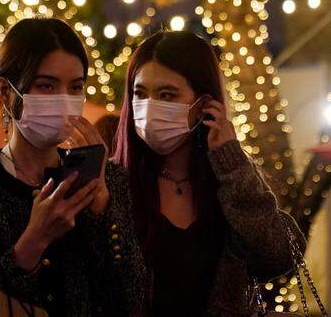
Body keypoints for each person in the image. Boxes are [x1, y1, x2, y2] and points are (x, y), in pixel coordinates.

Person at [0, 17, 146, 317]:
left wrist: (101, 212)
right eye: (46, 85)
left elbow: (132, 301)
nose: (64, 101)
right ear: (6, 92)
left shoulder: (108, 180)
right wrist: (32, 243)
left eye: (75, 87)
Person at [113, 30, 299, 317]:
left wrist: (230, 161)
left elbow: (276, 257)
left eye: (166, 95)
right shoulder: (114, 183)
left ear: (204, 105)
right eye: (140, 94)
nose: (149, 107)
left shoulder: (229, 178)